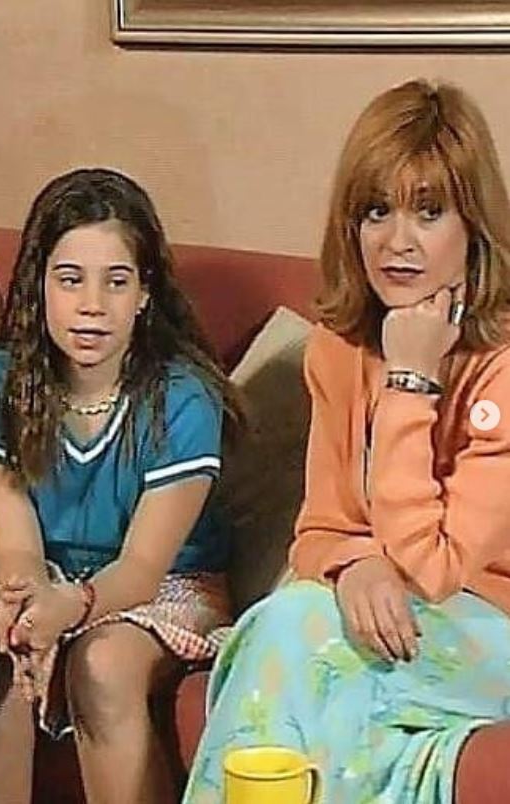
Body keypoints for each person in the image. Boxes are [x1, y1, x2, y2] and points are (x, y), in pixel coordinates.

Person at [184, 78, 510, 804]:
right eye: (375, 211)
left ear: (473, 226)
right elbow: (319, 532)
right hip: (389, 618)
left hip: (495, 631)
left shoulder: (502, 366)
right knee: (309, 658)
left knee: (292, 633)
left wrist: (411, 383)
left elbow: (434, 567)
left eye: (429, 212)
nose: (397, 242)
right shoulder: (336, 350)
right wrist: (355, 565)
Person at [0, 167, 234, 804]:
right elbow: (14, 543)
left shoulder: (183, 400)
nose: (92, 305)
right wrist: (23, 597)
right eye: (70, 279)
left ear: (145, 293)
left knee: (101, 664)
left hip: (165, 586)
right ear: (39, 285)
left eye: (116, 281)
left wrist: (70, 607)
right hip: (51, 571)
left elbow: (140, 570)